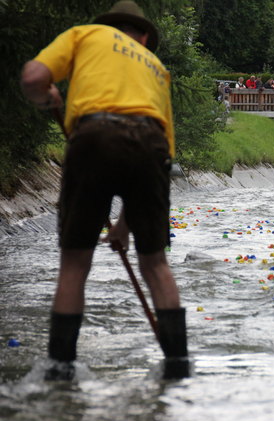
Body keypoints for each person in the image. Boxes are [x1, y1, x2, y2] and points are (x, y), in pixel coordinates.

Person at [20, 0, 189, 381]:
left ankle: (60, 372)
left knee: (75, 264)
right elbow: (159, 160)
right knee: (156, 263)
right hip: (150, 142)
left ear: (110, 26)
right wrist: (126, 230)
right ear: (144, 37)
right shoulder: (157, 69)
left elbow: (34, 78)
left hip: (93, 136)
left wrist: (45, 99)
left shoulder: (86, 34)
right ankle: (178, 367)